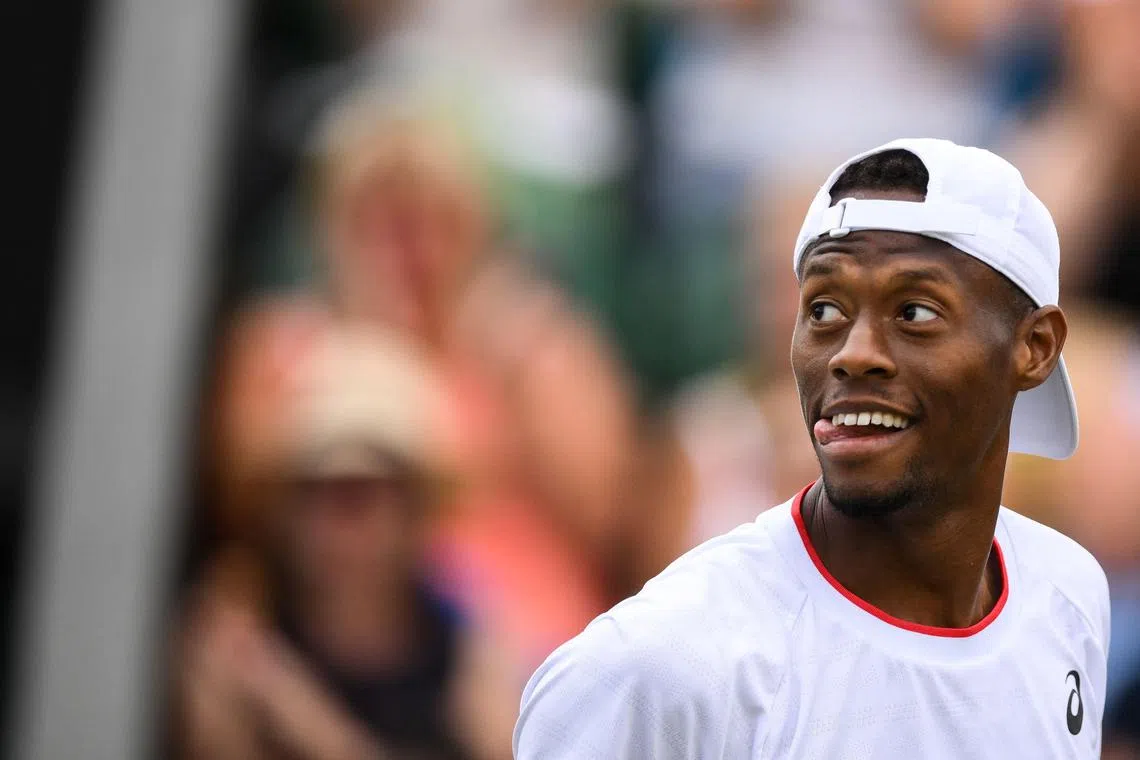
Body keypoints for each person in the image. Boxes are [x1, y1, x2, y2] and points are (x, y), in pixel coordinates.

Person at [513, 138, 1111, 758]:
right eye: (823, 308)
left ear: (1035, 347)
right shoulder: (655, 668)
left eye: (914, 311)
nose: (853, 353)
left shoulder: (1069, 594)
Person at [174, 323, 517, 760]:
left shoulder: (467, 644)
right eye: (310, 492)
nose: (333, 523)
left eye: (359, 495)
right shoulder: (234, 644)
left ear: (413, 510)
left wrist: (304, 719)